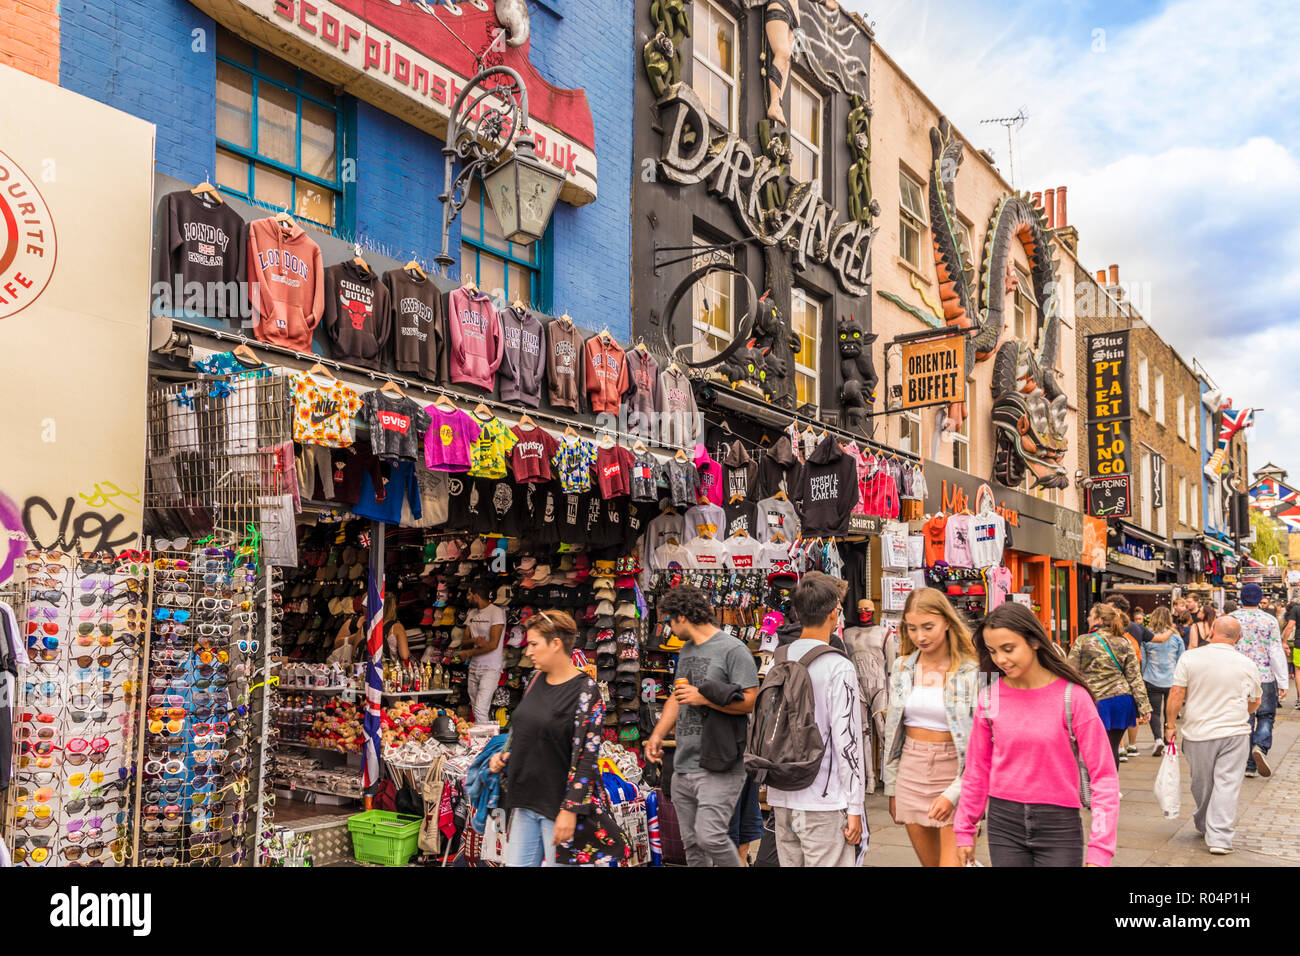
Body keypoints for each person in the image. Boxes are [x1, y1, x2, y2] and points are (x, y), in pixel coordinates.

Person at [956, 602, 1119, 867]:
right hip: (1003, 822)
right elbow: (976, 769)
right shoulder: (989, 697)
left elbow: (1104, 777)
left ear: (1033, 641)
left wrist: (1100, 851)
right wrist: (964, 828)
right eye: (992, 651)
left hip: (1060, 825)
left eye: (1008, 649)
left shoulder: (1073, 697)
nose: (1000, 659)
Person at [646, 584, 758, 867]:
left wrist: (704, 699)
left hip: (719, 764)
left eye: (669, 620)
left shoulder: (733, 650)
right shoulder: (686, 651)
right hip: (684, 765)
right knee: (693, 848)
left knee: (711, 837)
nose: (669, 628)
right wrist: (656, 735)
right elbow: (677, 696)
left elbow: (751, 701)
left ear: (682, 616)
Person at [765, 572, 866, 867]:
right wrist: (855, 806)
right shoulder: (837, 664)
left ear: (798, 612)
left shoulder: (779, 657)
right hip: (825, 798)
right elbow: (848, 741)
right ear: (835, 613)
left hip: (782, 795)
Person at [490, 610, 603, 866]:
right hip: (525, 800)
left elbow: (588, 757)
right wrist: (505, 755)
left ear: (555, 644)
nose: (527, 652)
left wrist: (570, 809)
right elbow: (527, 731)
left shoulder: (586, 691)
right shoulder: (535, 680)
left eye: (533, 644)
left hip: (557, 807)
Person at [881, 587, 979, 867]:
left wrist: (958, 791)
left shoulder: (978, 669)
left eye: (928, 627)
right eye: (912, 628)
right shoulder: (901, 667)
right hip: (910, 770)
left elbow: (990, 738)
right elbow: (892, 733)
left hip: (956, 772)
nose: (920, 636)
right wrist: (891, 788)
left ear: (947, 621)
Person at [1164, 616, 1262, 855]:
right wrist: (1240, 711)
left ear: (1210, 633)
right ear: (1239, 639)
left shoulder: (1190, 658)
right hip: (1235, 732)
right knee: (1227, 784)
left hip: (1198, 733)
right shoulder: (1247, 663)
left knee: (1202, 783)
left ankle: (1209, 826)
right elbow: (1255, 701)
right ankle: (1218, 836)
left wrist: (1169, 724)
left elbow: (1177, 693)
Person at [1068, 603, 1151, 770]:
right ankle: (1111, 789)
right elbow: (1134, 676)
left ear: (1098, 619)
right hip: (1122, 701)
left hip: (1095, 701)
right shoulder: (1124, 642)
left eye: (1090, 615)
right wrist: (1144, 706)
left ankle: (1094, 788)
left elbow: (1070, 671)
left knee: (1094, 750)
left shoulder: (1083, 641)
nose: (1088, 618)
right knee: (1112, 748)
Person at [1231, 583, 1288, 777]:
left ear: (1241, 597)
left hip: (1237, 676)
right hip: (1263, 676)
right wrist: (1283, 682)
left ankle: (1247, 764)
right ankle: (1260, 747)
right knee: (1265, 715)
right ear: (1260, 599)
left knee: (1244, 719)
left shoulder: (1231, 619)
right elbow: (1276, 652)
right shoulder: (1269, 620)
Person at [1141, 607, 1185, 757]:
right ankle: (1168, 744)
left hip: (1151, 678)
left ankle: (1158, 740)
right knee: (1170, 712)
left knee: (1154, 711)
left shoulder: (1148, 636)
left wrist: (1142, 676)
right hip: (1172, 679)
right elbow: (1181, 658)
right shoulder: (1176, 637)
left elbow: (1143, 660)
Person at [461, 581, 506, 724]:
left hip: (491, 668)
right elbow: (464, 641)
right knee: (476, 709)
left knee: (480, 709)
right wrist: (475, 640)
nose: (467, 598)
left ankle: (485, 744)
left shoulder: (496, 612)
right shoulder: (472, 613)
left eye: (469, 594)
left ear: (476, 595)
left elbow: (493, 644)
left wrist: (469, 653)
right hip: (474, 668)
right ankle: (484, 741)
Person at [1283, 601, 1300, 708]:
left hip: (1299, 643)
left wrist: (1284, 642)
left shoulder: (1296, 609)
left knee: (1298, 670)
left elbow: (1290, 626)